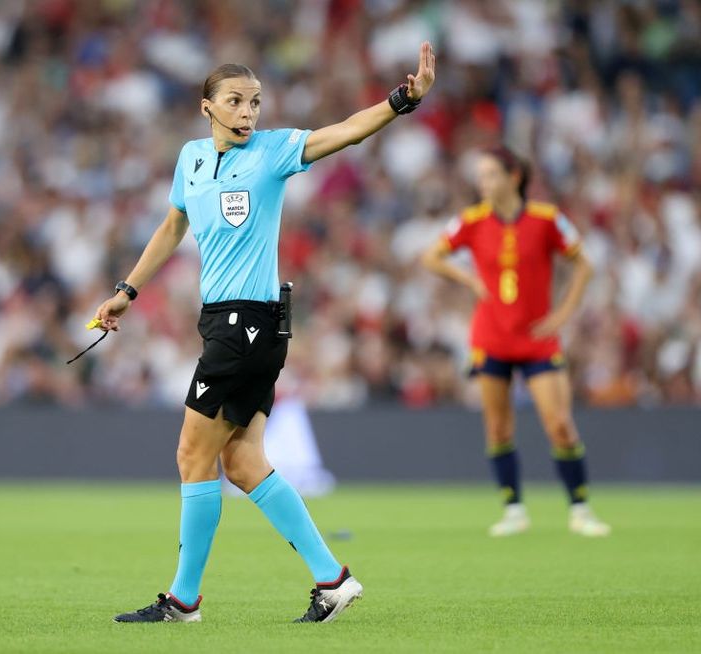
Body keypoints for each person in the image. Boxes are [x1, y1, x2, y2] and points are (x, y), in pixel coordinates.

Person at [95, 44, 436, 622]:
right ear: (208, 107)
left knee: (190, 453)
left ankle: (184, 600)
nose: (249, 111)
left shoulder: (274, 151)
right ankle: (333, 579)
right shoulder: (191, 160)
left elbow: (347, 132)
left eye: (255, 101)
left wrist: (402, 100)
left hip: (245, 323)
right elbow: (174, 224)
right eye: (235, 101)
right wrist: (127, 291)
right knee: (244, 462)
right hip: (230, 325)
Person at [422, 146, 611, 538]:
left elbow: (584, 265)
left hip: (537, 340)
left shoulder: (547, 219)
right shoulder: (472, 221)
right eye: (480, 175)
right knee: (498, 427)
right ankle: (513, 508)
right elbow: (432, 257)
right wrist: (469, 280)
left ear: (514, 177)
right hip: (491, 338)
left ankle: (580, 507)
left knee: (559, 424)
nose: (483, 183)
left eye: (490, 174)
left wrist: (561, 316)